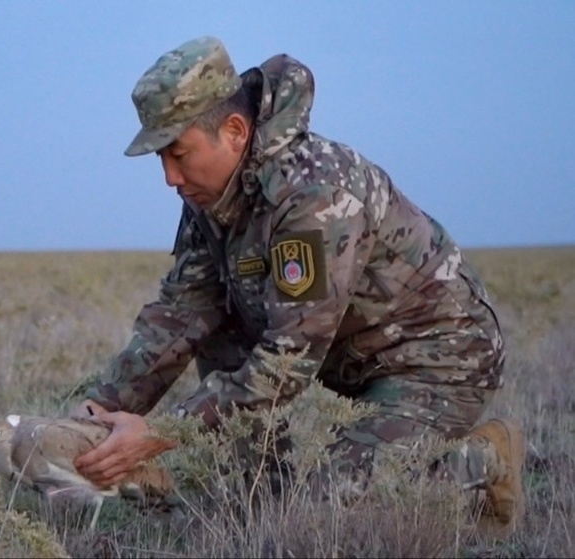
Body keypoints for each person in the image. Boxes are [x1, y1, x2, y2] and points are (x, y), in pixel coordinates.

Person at [70, 36, 524, 535]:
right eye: (161, 159)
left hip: (439, 360)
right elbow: (181, 313)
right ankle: (259, 496)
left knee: (326, 515)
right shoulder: (210, 198)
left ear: (236, 131)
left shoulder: (315, 195)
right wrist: (98, 411)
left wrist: (160, 432)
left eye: (178, 153)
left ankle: (479, 460)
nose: (170, 178)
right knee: (219, 332)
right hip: (354, 356)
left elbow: (287, 362)